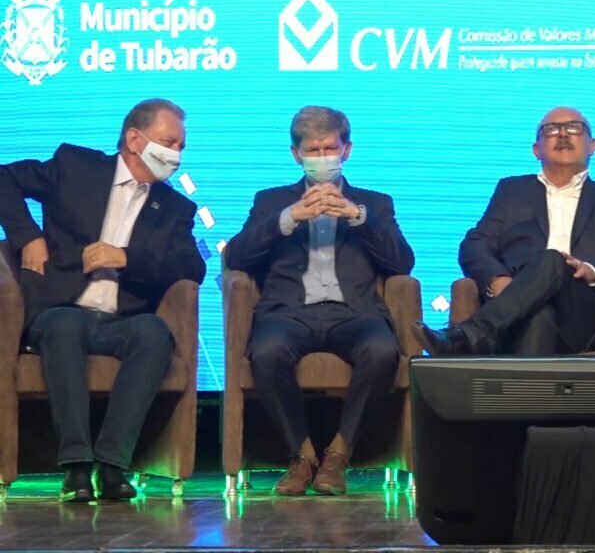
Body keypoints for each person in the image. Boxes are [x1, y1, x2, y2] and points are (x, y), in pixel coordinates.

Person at [0, 98, 206, 502]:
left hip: (121, 320)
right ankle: (76, 465)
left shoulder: (174, 207)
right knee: (65, 325)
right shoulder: (76, 167)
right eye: (169, 143)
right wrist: (28, 237)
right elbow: (3, 178)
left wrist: (126, 258)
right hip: (59, 309)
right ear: (134, 139)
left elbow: (190, 266)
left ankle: (113, 464)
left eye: (181, 147)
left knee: (154, 332)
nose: (176, 156)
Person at [225, 106, 414, 496]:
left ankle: (338, 455)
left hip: (354, 313)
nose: (323, 157)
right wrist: (288, 218)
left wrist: (358, 216)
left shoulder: (374, 203)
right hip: (289, 313)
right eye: (313, 150)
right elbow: (236, 258)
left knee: (382, 351)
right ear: (296, 154)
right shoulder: (270, 201)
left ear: (347, 150)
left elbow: (402, 262)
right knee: (267, 351)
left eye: (330, 148)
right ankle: (302, 456)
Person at [413, 106, 595, 355]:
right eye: (551, 129)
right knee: (538, 313)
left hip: (582, 313)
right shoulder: (511, 190)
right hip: (519, 313)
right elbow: (475, 245)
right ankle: (508, 366)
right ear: (536, 150)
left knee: (552, 259)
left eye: (574, 128)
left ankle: (471, 335)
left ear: (592, 146)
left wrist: (591, 269)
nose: (563, 134)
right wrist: (497, 280)